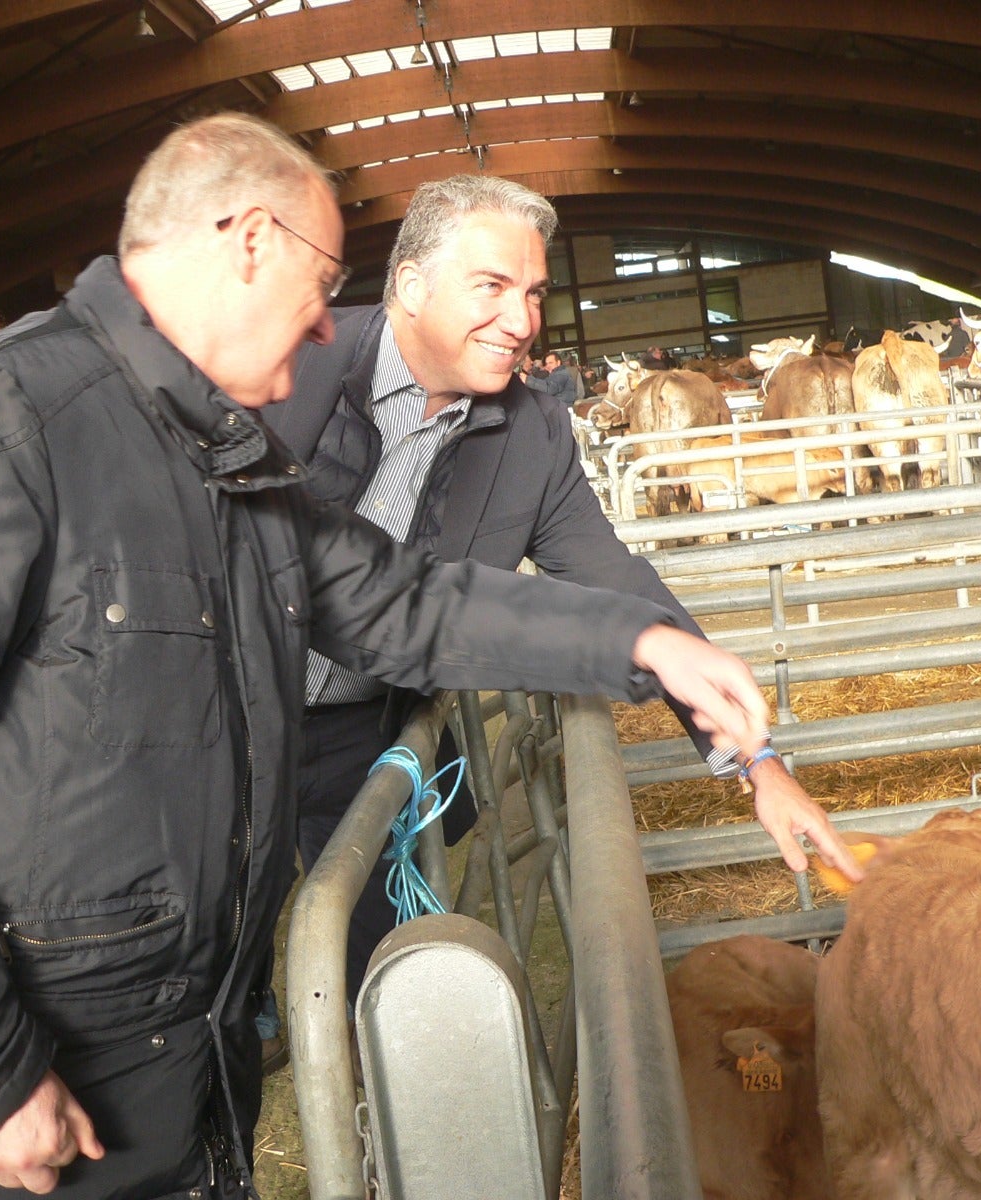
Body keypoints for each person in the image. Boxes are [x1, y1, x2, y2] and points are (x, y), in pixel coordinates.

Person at [0, 112, 807, 1200]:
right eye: (321, 281)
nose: (326, 331)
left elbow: (404, 602)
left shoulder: (230, 459)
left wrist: (640, 641)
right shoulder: (1, 423)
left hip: (170, 1079)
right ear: (249, 241)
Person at [265, 174, 854, 1013]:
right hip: (229, 709)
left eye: (535, 292)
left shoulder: (533, 430)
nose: (523, 321)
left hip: (368, 735)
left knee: (369, 961)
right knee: (214, 939)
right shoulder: (292, 361)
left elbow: (616, 580)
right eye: (493, 287)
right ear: (409, 283)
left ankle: (367, 1112)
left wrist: (758, 763)